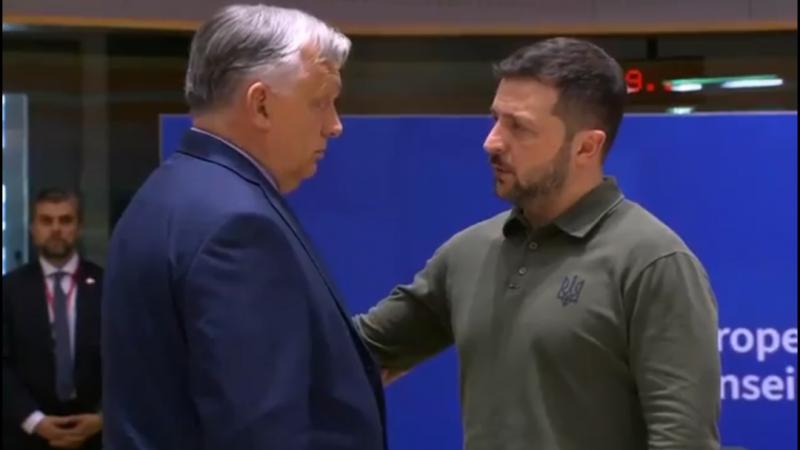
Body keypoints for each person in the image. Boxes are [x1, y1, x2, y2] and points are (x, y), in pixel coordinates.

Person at [355, 37, 720, 450]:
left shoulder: (654, 263)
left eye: (519, 127)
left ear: (586, 146)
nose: (491, 141)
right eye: (495, 119)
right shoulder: (468, 252)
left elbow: (684, 441)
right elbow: (356, 351)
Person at [102, 5, 385, 450]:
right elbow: (260, 431)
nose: (335, 126)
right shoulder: (238, 227)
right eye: (321, 102)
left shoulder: (163, 195)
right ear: (261, 104)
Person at [3, 188, 104, 450]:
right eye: (46, 221)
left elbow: (126, 359)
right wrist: (35, 421)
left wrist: (103, 416)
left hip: (96, 435)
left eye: (66, 220)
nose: (56, 229)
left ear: (79, 228)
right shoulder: (9, 290)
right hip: (26, 436)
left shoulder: (108, 286)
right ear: (33, 229)